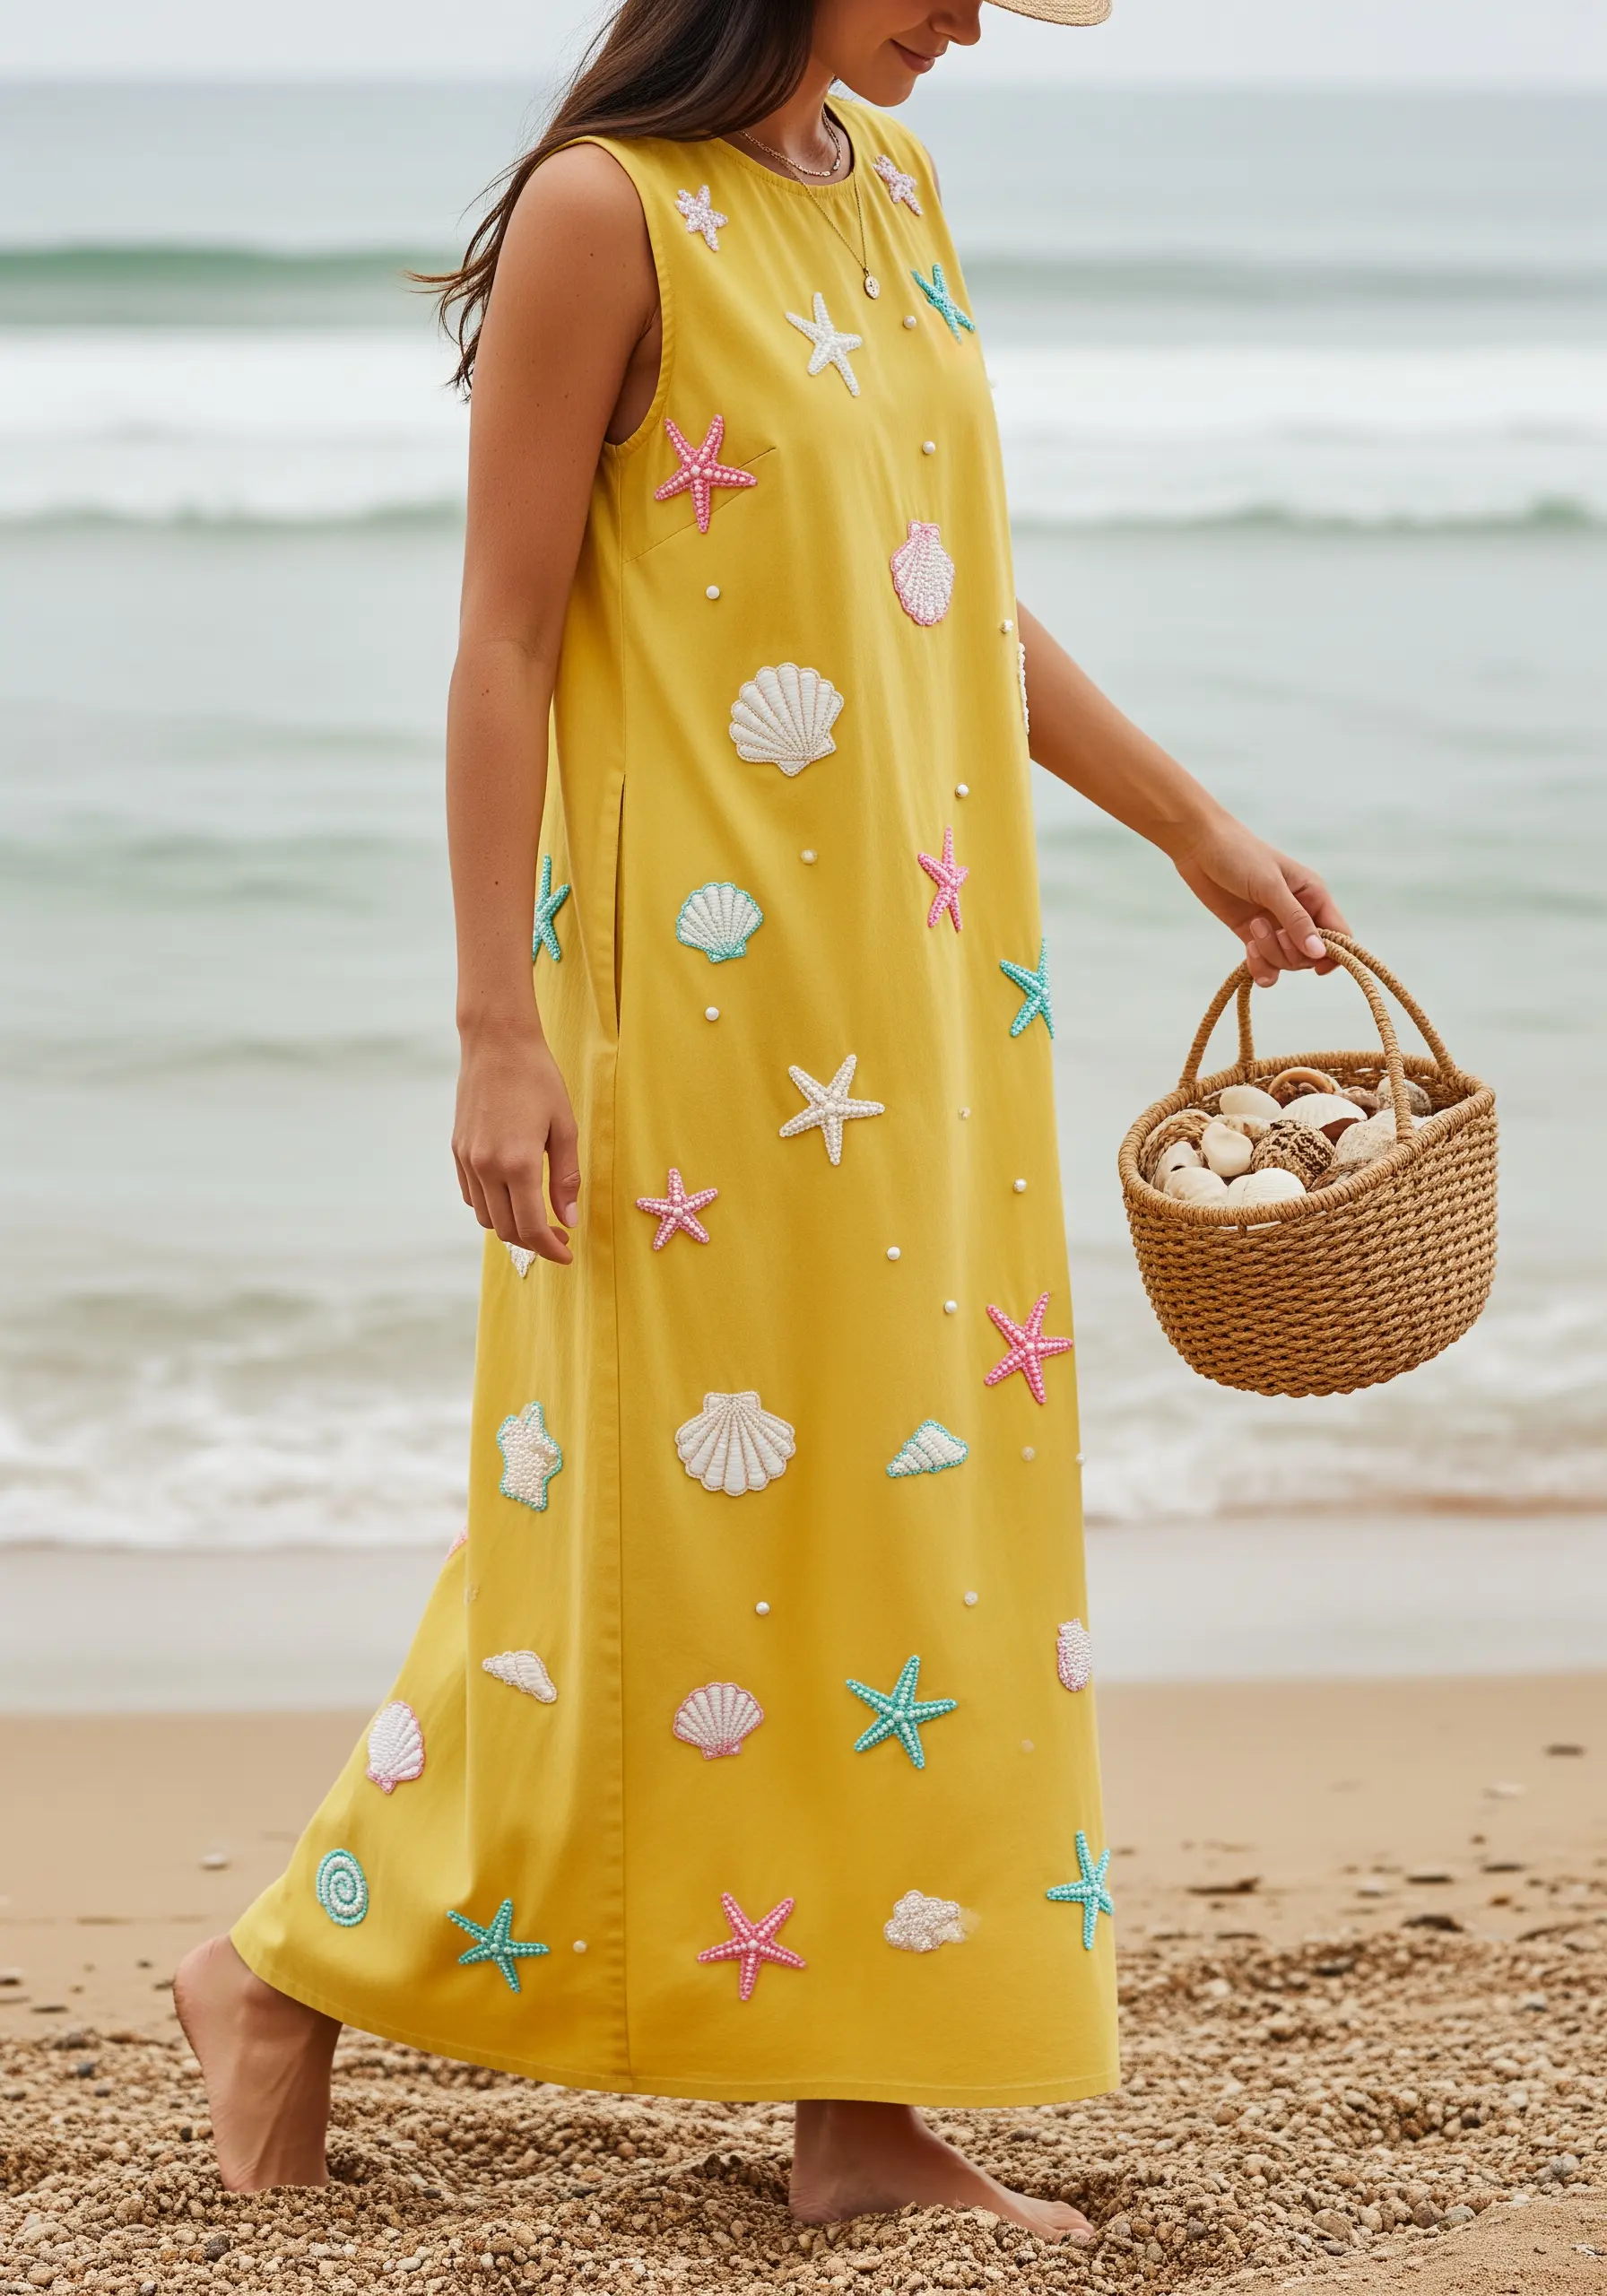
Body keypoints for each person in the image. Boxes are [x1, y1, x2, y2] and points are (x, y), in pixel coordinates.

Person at [174, 0, 1347, 2239]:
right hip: (697, 1008)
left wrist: (1188, 823)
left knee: (895, 1519)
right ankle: (302, 1968)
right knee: (669, 1518)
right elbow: (503, 639)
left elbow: (939, 589)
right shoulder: (602, 213)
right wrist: (493, 1025)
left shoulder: (892, 188)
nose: (971, 22)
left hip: (927, 982)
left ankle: (835, 2102)